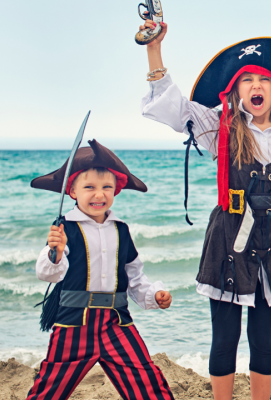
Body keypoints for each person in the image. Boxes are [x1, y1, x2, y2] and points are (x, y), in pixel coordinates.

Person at [139, 20, 271, 400]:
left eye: (263, 79)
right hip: (229, 239)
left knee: (263, 336)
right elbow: (175, 108)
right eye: (247, 80)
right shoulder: (220, 126)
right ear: (235, 90)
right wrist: (153, 49)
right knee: (224, 336)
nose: (256, 86)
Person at [27, 139, 175, 400]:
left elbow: (134, 277)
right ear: (72, 191)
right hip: (73, 323)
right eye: (89, 187)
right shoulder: (64, 228)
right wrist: (56, 252)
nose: (99, 194)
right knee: (49, 390)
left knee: (148, 383)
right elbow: (47, 273)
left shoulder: (121, 229)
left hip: (116, 322)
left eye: (107, 187)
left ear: (116, 190)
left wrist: (155, 295)